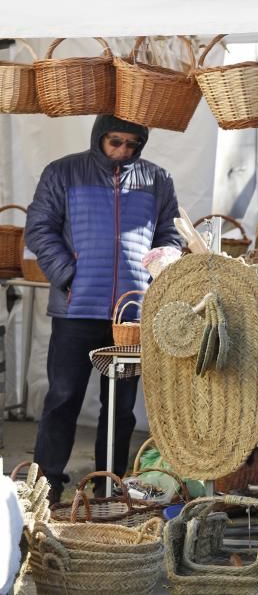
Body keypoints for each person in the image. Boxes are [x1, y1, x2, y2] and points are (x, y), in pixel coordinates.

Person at [25, 115, 181, 503]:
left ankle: (109, 487)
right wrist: (67, 275)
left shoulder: (157, 179)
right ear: (99, 137)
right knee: (63, 398)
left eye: (132, 145)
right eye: (115, 142)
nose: (122, 152)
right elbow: (39, 228)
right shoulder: (63, 172)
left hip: (130, 315)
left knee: (121, 409)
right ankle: (46, 489)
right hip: (75, 310)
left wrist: (159, 270)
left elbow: (169, 234)